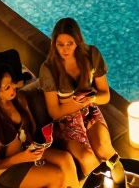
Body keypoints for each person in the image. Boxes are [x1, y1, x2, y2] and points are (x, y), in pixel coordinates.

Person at [38, 18, 119, 178]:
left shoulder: (91, 55)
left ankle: (124, 181)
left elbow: (105, 95)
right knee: (87, 156)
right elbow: (54, 112)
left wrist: (91, 100)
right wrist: (79, 102)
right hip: (65, 119)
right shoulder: (49, 69)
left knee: (105, 149)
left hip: (89, 109)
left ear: (78, 41)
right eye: (60, 44)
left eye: (70, 43)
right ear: (54, 44)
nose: (65, 49)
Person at [0, 64, 77, 188]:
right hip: (9, 168)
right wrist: (23, 157)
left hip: (29, 150)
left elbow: (31, 132)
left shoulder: (18, 99)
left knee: (66, 159)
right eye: (7, 87)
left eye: (12, 82)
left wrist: (41, 142)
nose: (14, 87)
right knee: (57, 175)